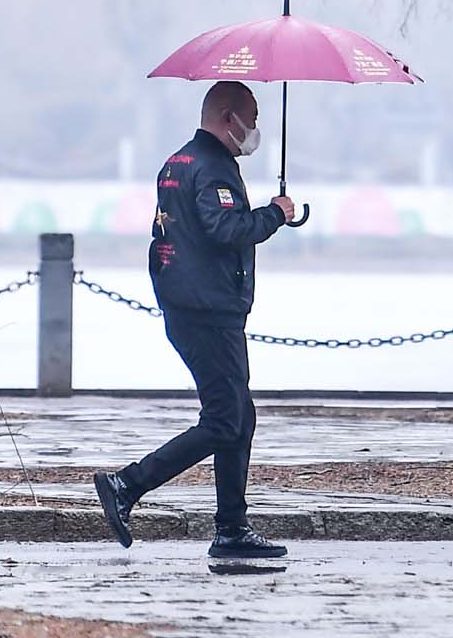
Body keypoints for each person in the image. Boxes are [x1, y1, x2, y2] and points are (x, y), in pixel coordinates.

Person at [93, 80, 296, 560]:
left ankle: (232, 529)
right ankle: (127, 484)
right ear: (229, 119)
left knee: (239, 416)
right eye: (252, 117)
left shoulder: (177, 162)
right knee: (226, 417)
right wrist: (275, 214)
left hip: (189, 305)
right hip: (209, 311)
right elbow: (225, 229)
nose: (256, 129)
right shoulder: (212, 168)